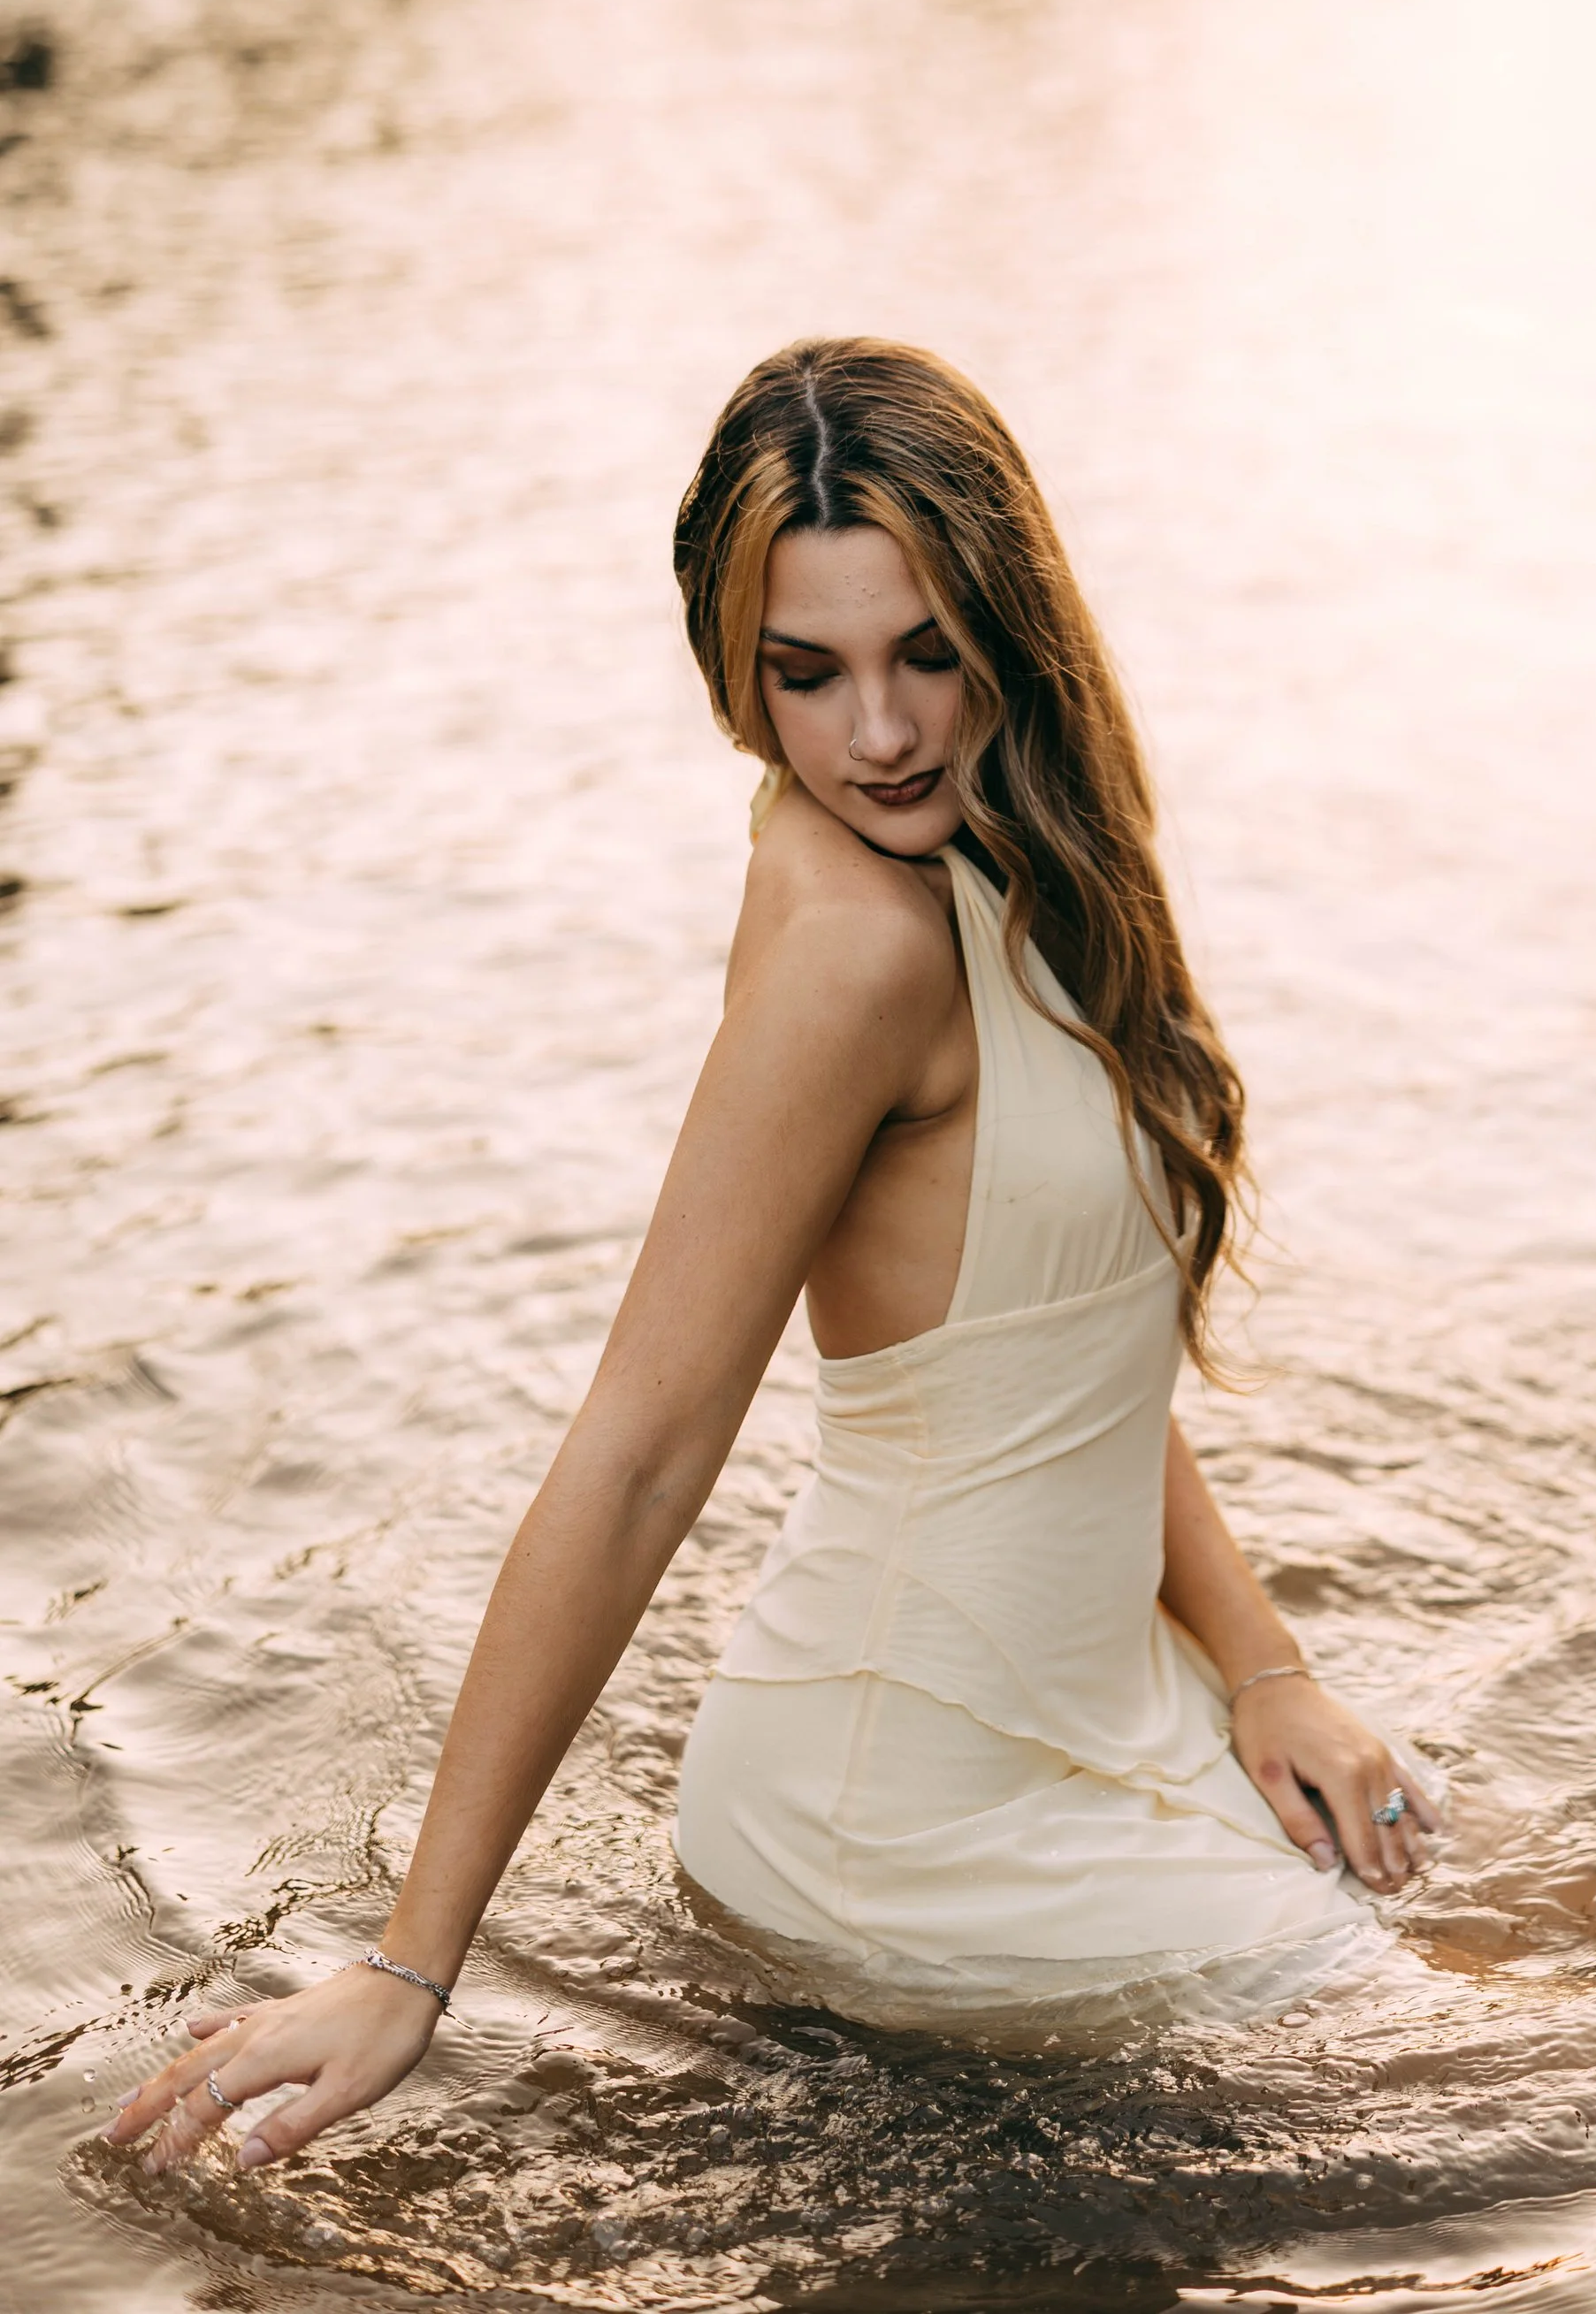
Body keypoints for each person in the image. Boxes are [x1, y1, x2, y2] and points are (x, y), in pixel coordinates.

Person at [110, 338, 1439, 2173]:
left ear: (1011, 629)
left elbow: (1053, 1357)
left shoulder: (1023, 859)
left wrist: (1265, 1665)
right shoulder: (856, 948)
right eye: (802, 675)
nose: (874, 735)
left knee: (1547, 1925)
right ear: (735, 675)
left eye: (925, 655)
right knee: (1554, 2131)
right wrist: (412, 1969)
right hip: (905, 1808)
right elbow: (642, 1449)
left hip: (1100, 1712)